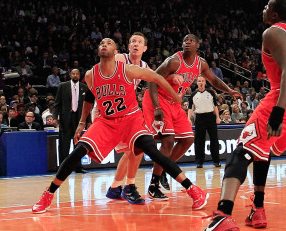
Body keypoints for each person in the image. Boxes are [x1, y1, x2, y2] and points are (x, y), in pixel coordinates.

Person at [187, 0, 286, 231]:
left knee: (240, 151)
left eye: (267, 6)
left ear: (274, 14)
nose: (263, 9)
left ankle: (222, 216)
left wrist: (279, 110)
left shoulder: (273, 31)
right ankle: (257, 210)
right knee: (262, 149)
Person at [32, 38, 209, 213]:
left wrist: (175, 95)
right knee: (77, 151)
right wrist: (81, 122)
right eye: (101, 43)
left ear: (116, 52)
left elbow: (155, 77)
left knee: (153, 151)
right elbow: (89, 98)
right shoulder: (90, 75)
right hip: (106, 121)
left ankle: (193, 190)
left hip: (131, 119)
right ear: (98, 50)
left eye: (109, 43)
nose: (104, 44)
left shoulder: (127, 69)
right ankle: (48, 195)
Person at [147, 34, 236, 200]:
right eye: (185, 40)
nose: (187, 42)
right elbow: (152, 80)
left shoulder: (201, 64)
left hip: (175, 102)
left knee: (188, 139)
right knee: (168, 141)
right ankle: (153, 185)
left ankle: (166, 168)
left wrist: (229, 91)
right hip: (160, 99)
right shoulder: (174, 61)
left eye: (191, 40)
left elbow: (214, 80)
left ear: (198, 45)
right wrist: (157, 107)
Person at [105, 31, 182, 202]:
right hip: (109, 110)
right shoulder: (119, 60)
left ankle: (116, 188)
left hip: (123, 111)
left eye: (139, 42)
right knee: (135, 148)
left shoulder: (144, 66)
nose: (135, 44)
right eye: (132, 41)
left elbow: (156, 78)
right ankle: (127, 187)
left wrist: (171, 77)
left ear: (145, 48)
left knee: (133, 150)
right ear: (128, 46)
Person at [55, 69, 88, 172]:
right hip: (66, 118)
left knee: (78, 145)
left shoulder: (84, 87)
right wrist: (55, 116)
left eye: (77, 73)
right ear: (70, 75)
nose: (75, 75)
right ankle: (63, 168)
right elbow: (57, 103)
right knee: (64, 145)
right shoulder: (63, 86)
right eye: (73, 73)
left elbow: (87, 106)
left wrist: (89, 120)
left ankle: (78, 167)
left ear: (79, 75)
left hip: (79, 119)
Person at [191, 76, 221, 168]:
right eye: (199, 81)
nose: (201, 82)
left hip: (210, 116)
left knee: (214, 140)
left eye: (202, 81)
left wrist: (218, 117)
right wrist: (189, 119)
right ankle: (199, 162)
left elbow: (215, 105)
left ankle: (216, 161)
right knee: (199, 141)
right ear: (197, 83)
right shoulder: (193, 94)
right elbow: (190, 108)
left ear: (205, 82)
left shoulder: (211, 92)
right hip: (199, 117)